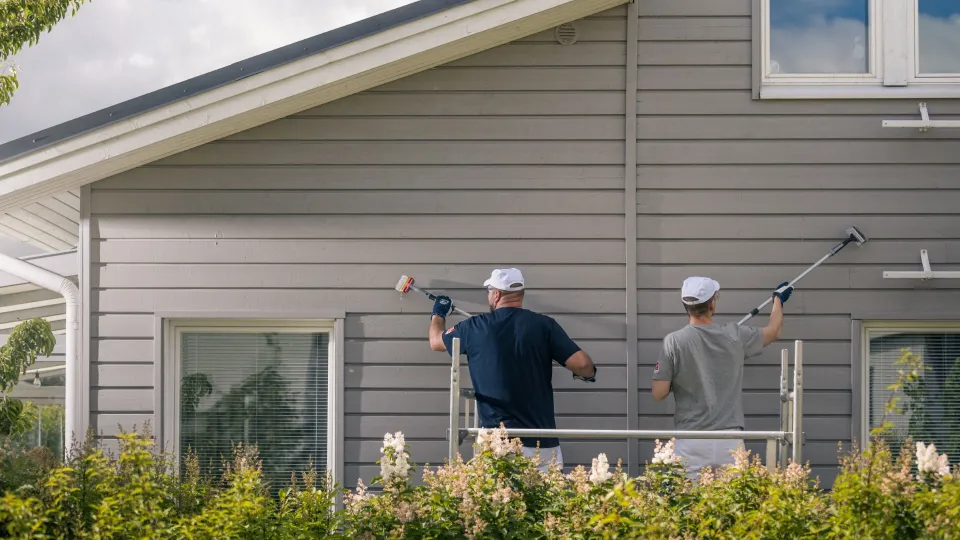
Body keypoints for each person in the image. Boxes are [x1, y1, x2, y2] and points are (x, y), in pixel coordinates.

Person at [428, 268, 598, 472]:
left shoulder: (474, 327)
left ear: (496, 294)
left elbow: (436, 341)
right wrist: (585, 375)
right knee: (547, 502)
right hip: (541, 442)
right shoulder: (544, 325)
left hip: (497, 442)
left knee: (499, 501)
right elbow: (583, 365)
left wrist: (438, 314)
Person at [651, 276, 792, 479]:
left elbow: (659, 393)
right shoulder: (734, 335)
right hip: (730, 440)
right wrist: (777, 300)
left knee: (688, 506)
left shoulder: (673, 341)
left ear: (685, 305)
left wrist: (680, 376)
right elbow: (773, 331)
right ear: (712, 304)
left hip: (691, 440)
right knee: (732, 506)